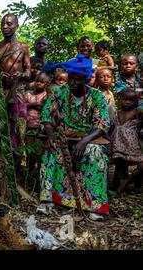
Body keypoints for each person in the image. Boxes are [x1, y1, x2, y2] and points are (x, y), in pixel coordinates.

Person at [38, 54, 110, 221]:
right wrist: (49, 136)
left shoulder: (97, 96)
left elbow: (102, 125)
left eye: (77, 80)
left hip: (88, 137)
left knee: (94, 153)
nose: (72, 83)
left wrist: (84, 141)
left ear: (85, 80)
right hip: (63, 135)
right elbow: (46, 116)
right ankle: (49, 199)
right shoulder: (58, 92)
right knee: (52, 149)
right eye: (70, 78)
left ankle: (94, 205)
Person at [0, 13, 31, 160]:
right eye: (3, 23)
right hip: (0, 91)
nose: (5, 26)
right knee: (0, 123)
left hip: (18, 91)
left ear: (17, 26)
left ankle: (21, 157)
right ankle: (1, 154)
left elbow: (28, 70)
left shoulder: (23, 47)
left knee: (19, 123)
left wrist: (20, 75)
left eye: (9, 24)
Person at [110, 88, 143, 193]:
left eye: (131, 100)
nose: (128, 102)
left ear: (136, 101)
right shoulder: (117, 113)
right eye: (125, 99)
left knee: (140, 164)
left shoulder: (137, 112)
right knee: (120, 165)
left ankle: (129, 181)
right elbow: (111, 128)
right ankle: (119, 185)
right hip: (119, 145)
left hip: (133, 145)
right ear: (120, 99)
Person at [25, 72, 50, 171]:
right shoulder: (28, 94)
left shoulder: (47, 95)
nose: (38, 83)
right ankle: (29, 172)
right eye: (37, 81)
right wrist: (32, 105)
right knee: (29, 152)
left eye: (42, 82)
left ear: (47, 84)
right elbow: (21, 107)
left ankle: (39, 172)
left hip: (41, 129)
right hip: (28, 126)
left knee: (40, 152)